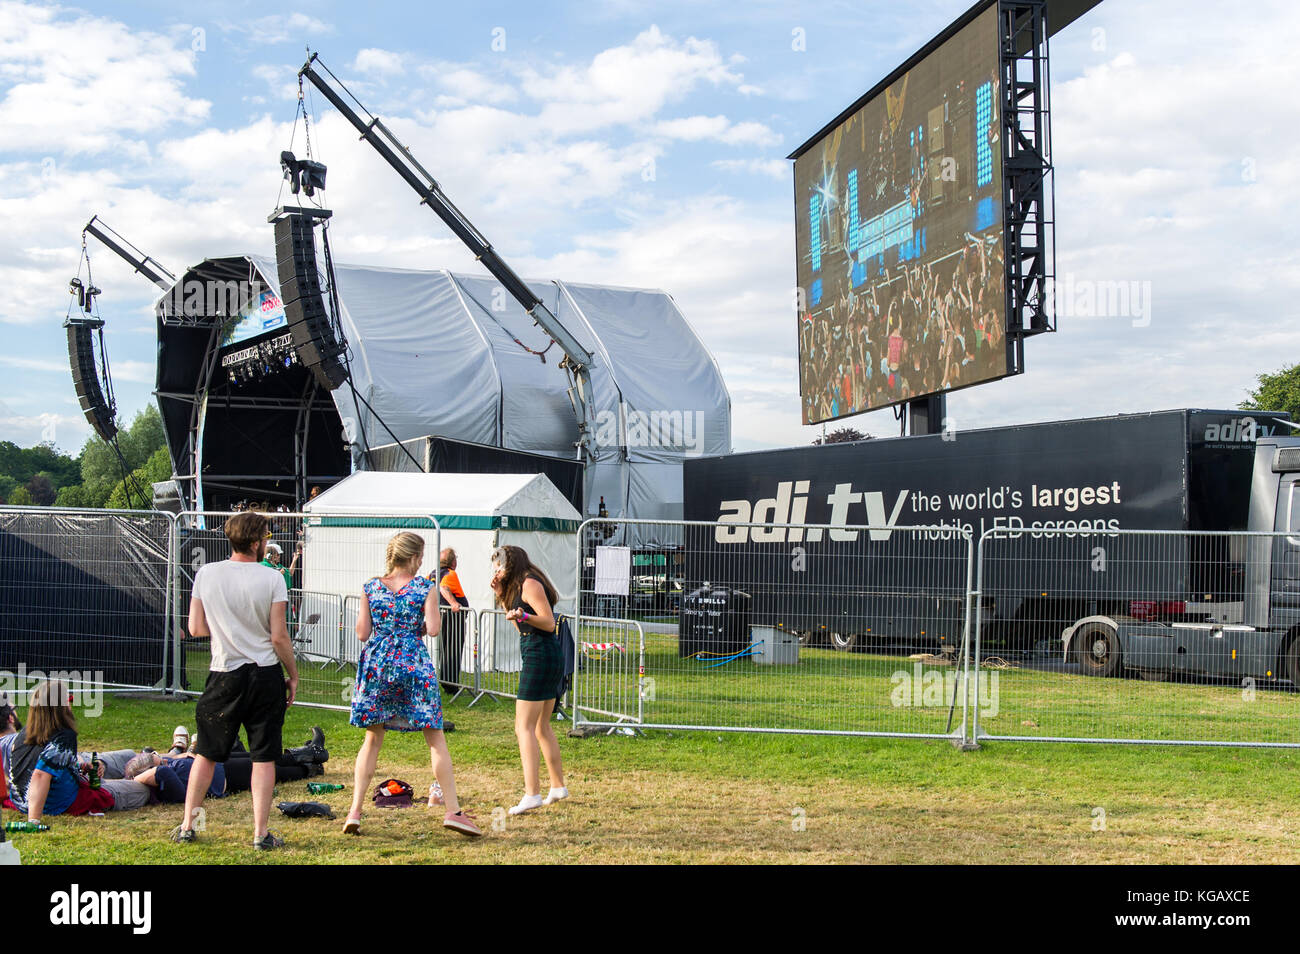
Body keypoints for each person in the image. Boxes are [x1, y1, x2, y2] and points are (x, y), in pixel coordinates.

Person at [173, 510, 299, 850]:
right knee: (263, 756)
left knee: (207, 753)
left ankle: (188, 825)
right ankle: (260, 834)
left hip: (223, 672)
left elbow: (195, 629)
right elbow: (278, 637)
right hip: (264, 673)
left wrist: (228, 630)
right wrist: (294, 675)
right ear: (257, 542)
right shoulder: (272, 577)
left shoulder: (207, 573)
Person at [343, 531, 481, 837]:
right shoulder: (424, 587)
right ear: (415, 558)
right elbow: (433, 629)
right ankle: (453, 811)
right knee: (435, 737)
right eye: (420, 558)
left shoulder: (371, 587)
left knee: (372, 739)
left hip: (377, 665)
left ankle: (355, 811)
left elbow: (362, 633)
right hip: (413, 664)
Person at [490, 544, 569, 815]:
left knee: (523, 727)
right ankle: (557, 786)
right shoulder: (516, 587)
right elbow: (519, 626)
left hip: (541, 653)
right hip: (536, 650)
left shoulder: (530, 583)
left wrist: (524, 614)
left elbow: (548, 622)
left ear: (510, 564)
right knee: (540, 727)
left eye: (498, 566)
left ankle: (532, 793)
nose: (496, 571)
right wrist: (502, 597)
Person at [0, 680, 149, 818]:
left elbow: (36, 767)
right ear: (61, 707)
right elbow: (39, 775)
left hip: (22, 802)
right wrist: (34, 820)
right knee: (142, 790)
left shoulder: (25, 734)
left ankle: (147, 765)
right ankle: (150, 770)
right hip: (57, 803)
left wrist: (80, 766)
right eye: (67, 702)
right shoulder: (63, 736)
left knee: (127, 758)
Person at [432, 547, 469, 692]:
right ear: (453, 562)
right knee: (453, 649)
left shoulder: (432, 573)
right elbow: (444, 588)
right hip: (453, 617)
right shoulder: (450, 573)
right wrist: (454, 603)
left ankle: (446, 682)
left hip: (440, 615)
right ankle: (451, 685)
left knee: (444, 649)